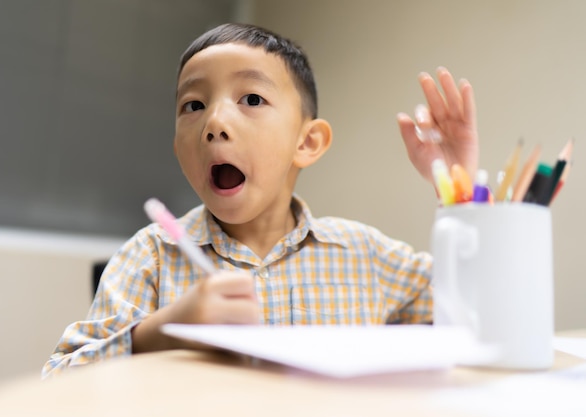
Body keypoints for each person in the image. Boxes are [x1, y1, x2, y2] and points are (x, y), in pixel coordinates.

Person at [42, 22, 478, 377]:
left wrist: (457, 185)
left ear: (307, 142)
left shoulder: (365, 255)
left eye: (251, 98)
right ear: (179, 148)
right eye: (193, 105)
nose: (214, 122)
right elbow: (58, 380)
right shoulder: (151, 256)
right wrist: (159, 334)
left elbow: (475, 317)